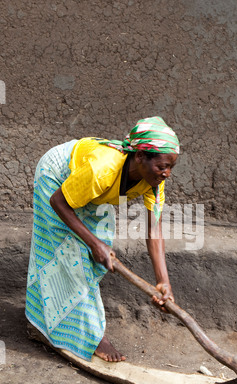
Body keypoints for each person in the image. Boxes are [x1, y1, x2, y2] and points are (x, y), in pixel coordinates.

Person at [25, 116, 180, 363]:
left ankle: (62, 323)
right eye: (162, 166)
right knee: (71, 254)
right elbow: (58, 201)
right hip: (56, 177)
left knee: (94, 256)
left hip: (88, 192)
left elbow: (154, 229)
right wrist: (94, 243)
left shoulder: (154, 181)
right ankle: (89, 334)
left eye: (171, 167)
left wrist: (163, 282)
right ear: (139, 157)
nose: (167, 173)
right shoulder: (103, 169)